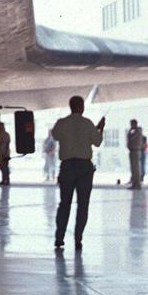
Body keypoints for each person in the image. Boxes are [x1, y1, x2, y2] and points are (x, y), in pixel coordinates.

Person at [50, 95, 104, 252]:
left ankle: (59, 238)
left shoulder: (62, 123)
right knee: (83, 205)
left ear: (70, 106)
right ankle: (78, 239)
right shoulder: (88, 124)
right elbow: (98, 141)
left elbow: (55, 136)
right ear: (81, 107)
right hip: (84, 169)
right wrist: (100, 127)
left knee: (64, 204)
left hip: (66, 167)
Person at [126, 120, 144, 189]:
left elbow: (130, 137)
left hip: (135, 151)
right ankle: (134, 183)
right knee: (133, 168)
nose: (131, 126)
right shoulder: (134, 131)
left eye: (132, 124)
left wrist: (130, 130)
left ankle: (137, 184)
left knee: (135, 168)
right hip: (132, 150)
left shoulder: (137, 131)